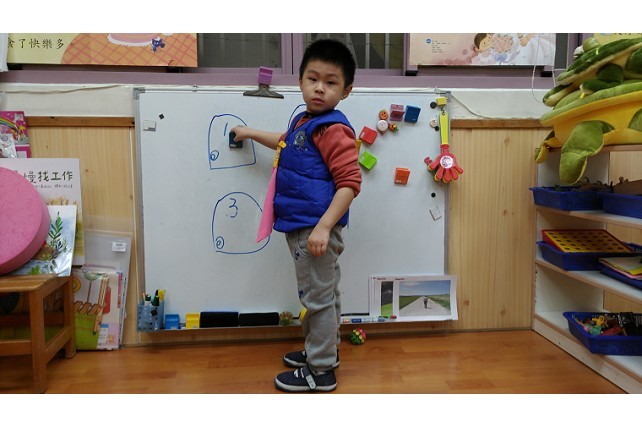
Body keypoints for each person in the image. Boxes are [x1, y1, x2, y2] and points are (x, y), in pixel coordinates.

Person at [231, 39, 361, 392]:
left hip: (314, 230)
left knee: (317, 300)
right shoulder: (307, 121)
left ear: (346, 91)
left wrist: (323, 227)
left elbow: (350, 184)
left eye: (331, 82)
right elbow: (285, 141)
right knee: (325, 296)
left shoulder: (332, 129)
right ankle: (323, 351)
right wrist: (249, 132)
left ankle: (321, 371)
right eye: (313, 79)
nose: (319, 88)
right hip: (306, 226)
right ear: (300, 81)